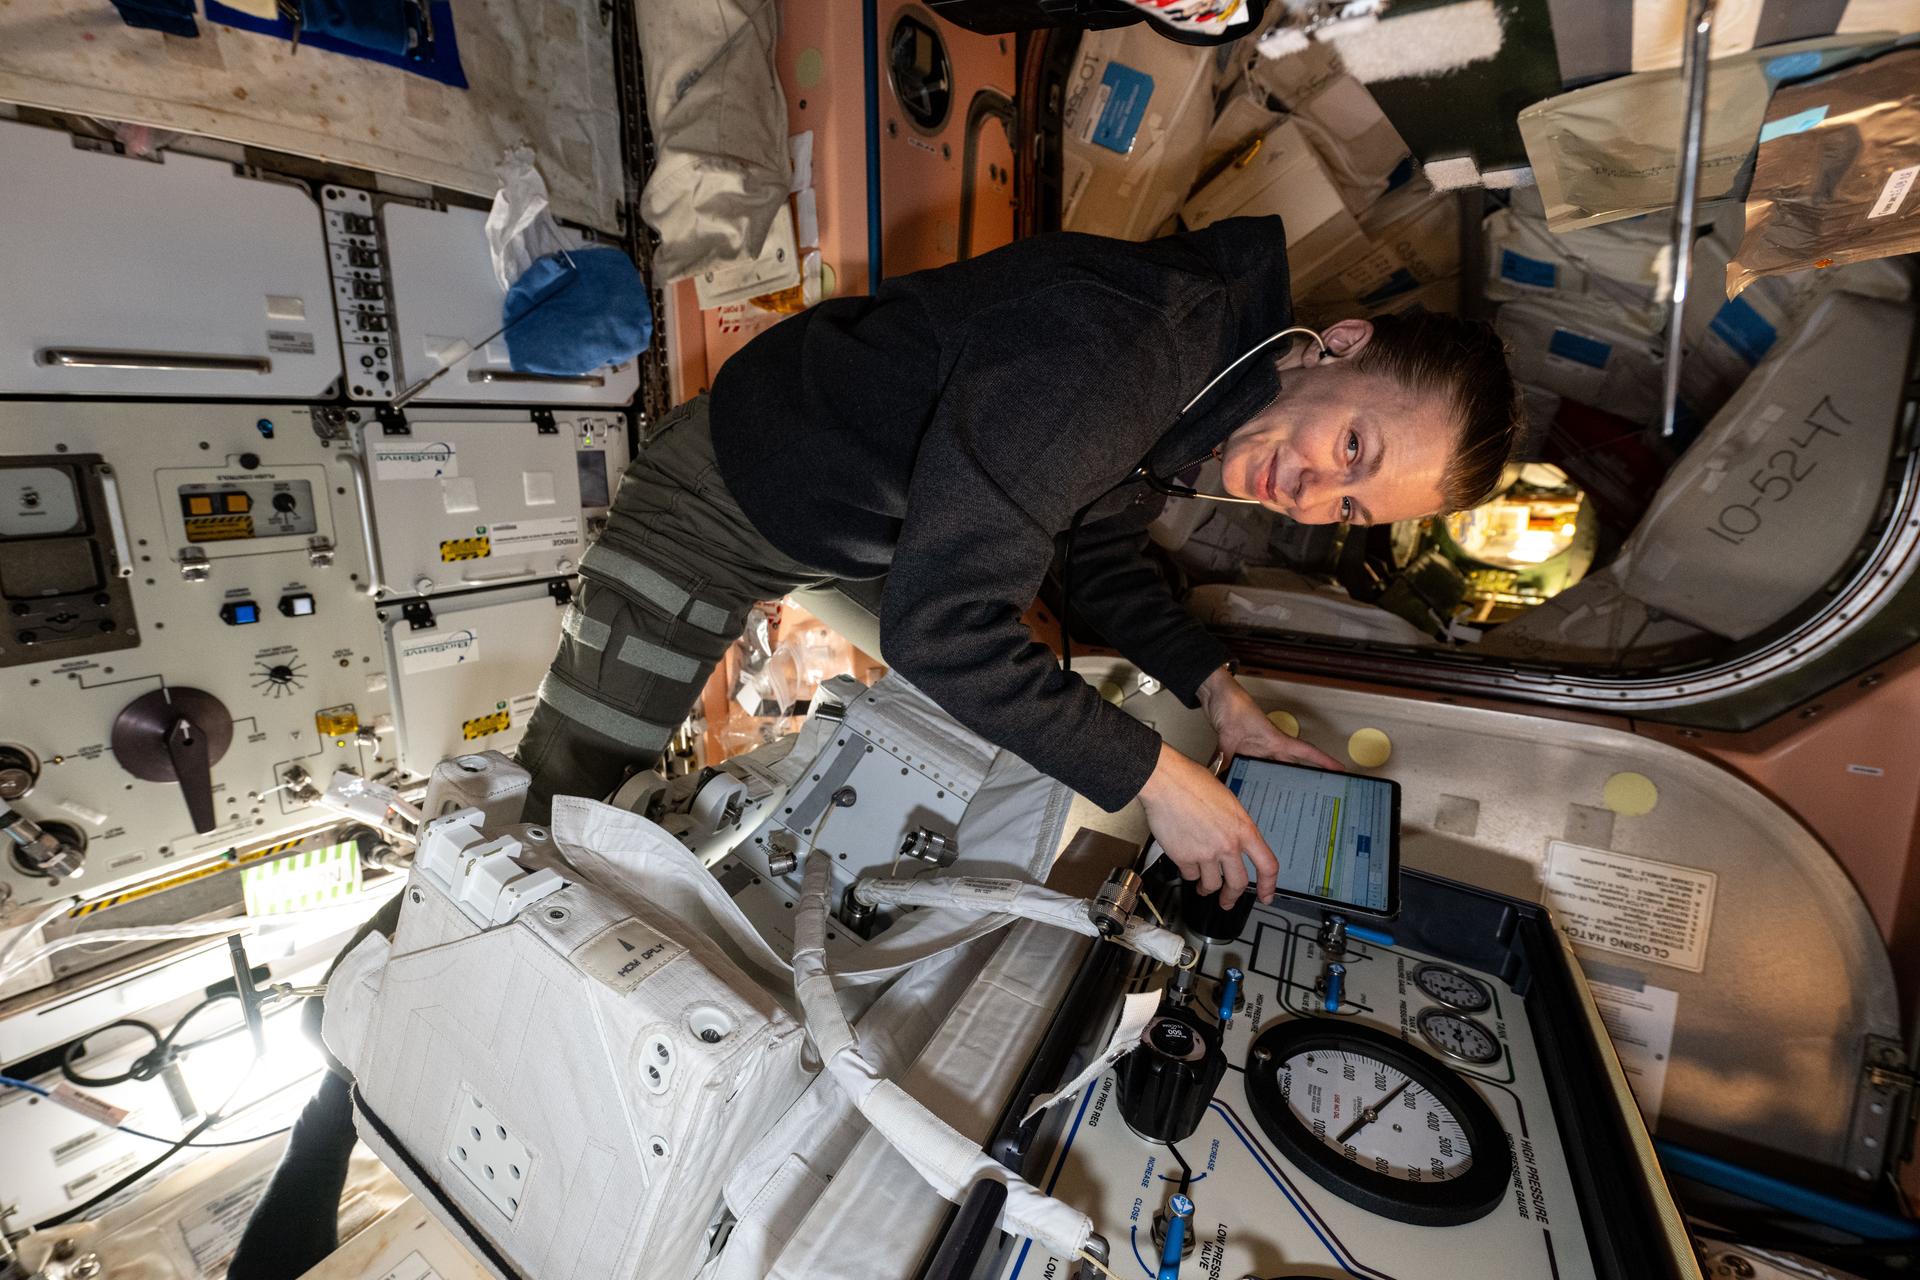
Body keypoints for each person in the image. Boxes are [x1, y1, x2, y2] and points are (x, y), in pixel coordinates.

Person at [517, 214, 1521, 908]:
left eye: (1349, 505)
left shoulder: (1216, 382)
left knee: (1004, 709)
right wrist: (1160, 779)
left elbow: (1097, 548)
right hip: (720, 500)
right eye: (1353, 449)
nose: (1310, 492)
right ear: (1341, 344)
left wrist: (1218, 693)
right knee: (553, 818)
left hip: (853, 520)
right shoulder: (1128, 352)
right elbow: (939, 625)